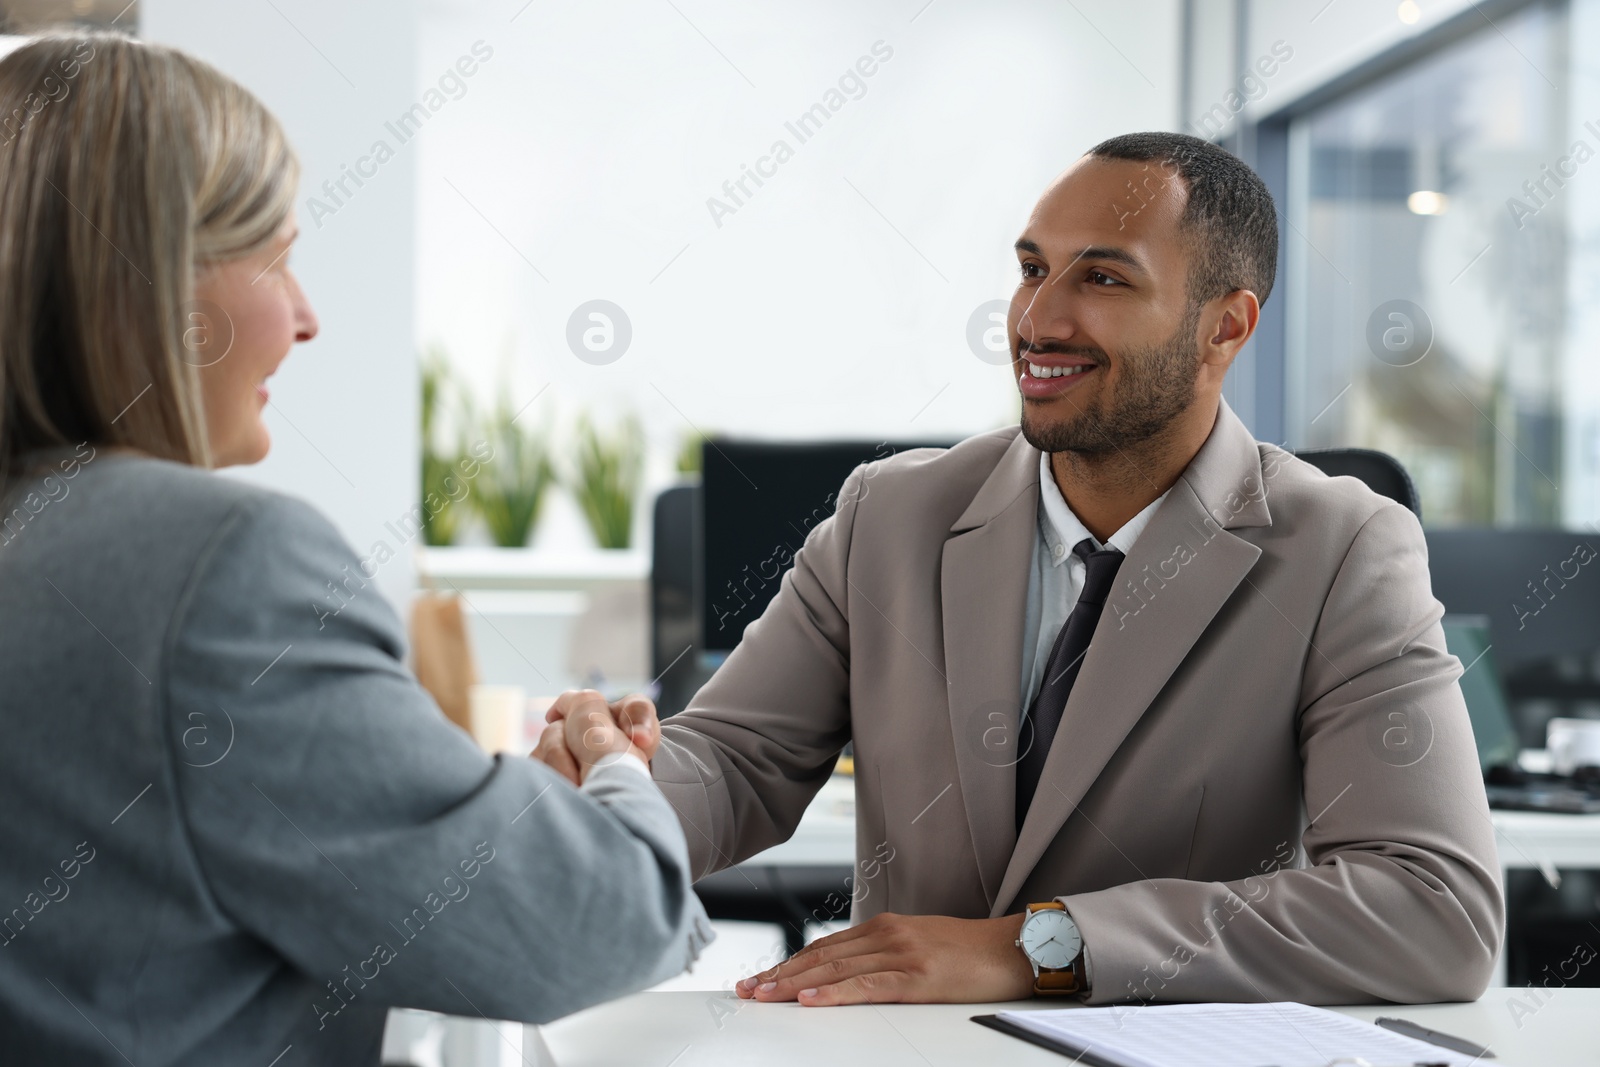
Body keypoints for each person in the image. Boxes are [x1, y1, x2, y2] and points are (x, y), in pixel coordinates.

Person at [539, 132, 1504, 1007]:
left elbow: (1435, 910)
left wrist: (1030, 948)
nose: (1038, 319)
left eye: (1104, 280)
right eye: (1032, 270)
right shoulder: (890, 513)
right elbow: (740, 762)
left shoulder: (1342, 548)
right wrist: (619, 780)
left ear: (1226, 329)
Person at [0, 33, 709, 1066]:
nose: (306, 317)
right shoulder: (215, 567)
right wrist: (607, 769)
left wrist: (500, 823)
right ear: (152, 282)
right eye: (276, 257)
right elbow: (606, 918)